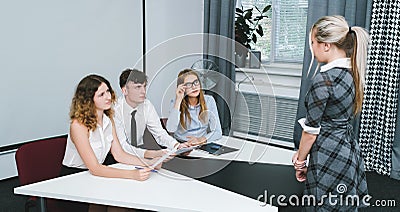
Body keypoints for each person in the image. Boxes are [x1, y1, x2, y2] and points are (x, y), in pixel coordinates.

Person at [292, 15, 369, 211]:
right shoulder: (353, 73)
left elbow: (310, 131)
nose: (312, 48)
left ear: (326, 45)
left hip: (328, 153)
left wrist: (300, 161)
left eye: (313, 43)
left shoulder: (324, 79)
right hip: (349, 151)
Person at [114, 69, 187, 159]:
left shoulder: (147, 105)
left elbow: (159, 133)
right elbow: (122, 146)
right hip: (119, 154)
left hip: (141, 150)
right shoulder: (115, 110)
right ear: (125, 90)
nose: (143, 91)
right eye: (138, 87)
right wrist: (153, 154)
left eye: (144, 86)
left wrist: (176, 145)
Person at [166, 69, 222, 146]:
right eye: (189, 84)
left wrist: (201, 140)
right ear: (182, 87)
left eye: (196, 82)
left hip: (201, 143)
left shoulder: (209, 100)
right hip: (182, 144)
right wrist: (178, 100)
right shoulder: (175, 102)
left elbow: (218, 132)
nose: (194, 87)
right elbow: (170, 129)